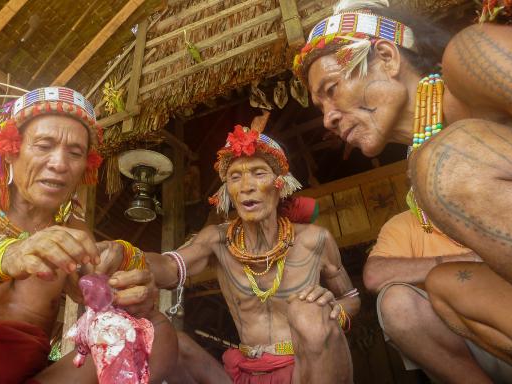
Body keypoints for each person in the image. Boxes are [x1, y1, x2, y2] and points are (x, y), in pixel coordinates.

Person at [293, 0, 512, 365]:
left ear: (387, 57)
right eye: (319, 108)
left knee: (443, 162)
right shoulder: (429, 163)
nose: (327, 119)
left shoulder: (468, 58)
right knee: (444, 286)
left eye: (331, 89)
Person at [0, 87, 176, 383]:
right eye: (44, 145)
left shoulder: (73, 228)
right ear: (11, 150)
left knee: (154, 331)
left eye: (75, 153)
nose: (60, 164)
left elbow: (102, 301)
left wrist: (128, 289)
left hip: (34, 378)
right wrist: (6, 257)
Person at [125, 123, 361, 383]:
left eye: (258, 173)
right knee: (173, 342)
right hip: (245, 371)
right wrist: (129, 259)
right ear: (228, 191)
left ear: (280, 184)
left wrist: (329, 312)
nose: (246, 186)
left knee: (310, 313)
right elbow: (171, 267)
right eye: (236, 177)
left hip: (305, 371)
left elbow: (351, 297)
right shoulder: (217, 240)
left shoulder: (315, 239)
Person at [364, 210, 512, 383]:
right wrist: (467, 260)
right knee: (396, 302)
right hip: (463, 345)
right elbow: (374, 276)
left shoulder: (496, 207)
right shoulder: (403, 223)